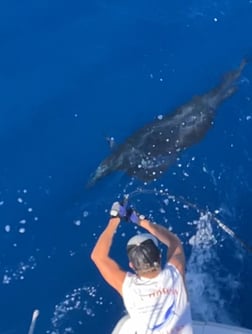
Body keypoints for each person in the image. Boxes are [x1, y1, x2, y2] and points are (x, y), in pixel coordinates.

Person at [91, 200, 193, 334]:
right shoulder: (176, 272)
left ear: (132, 265)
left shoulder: (127, 287)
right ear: (160, 256)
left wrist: (114, 220)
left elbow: (97, 256)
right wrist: (139, 220)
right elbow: (174, 242)